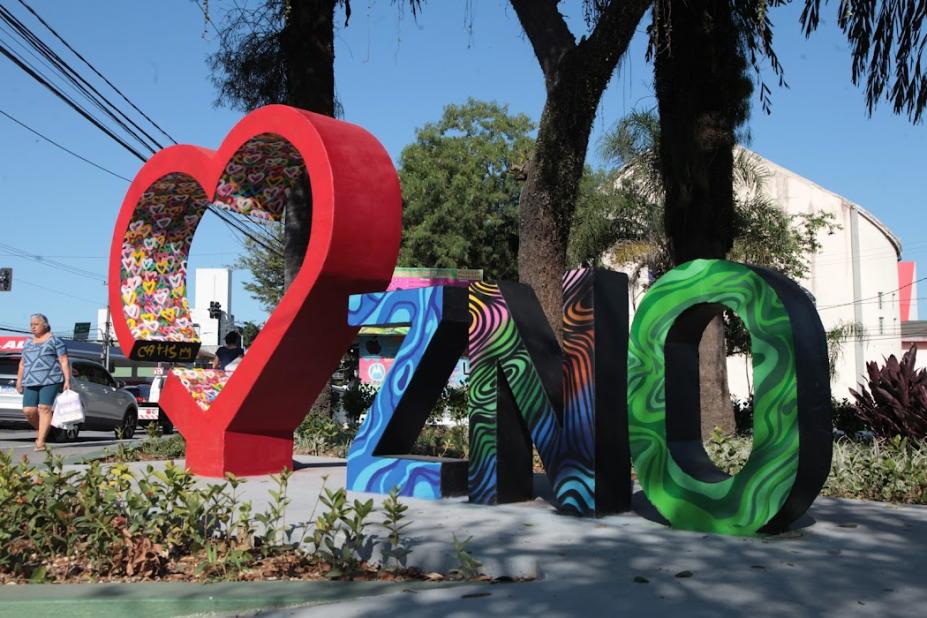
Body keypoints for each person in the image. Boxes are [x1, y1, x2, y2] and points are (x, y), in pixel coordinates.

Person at [15, 313, 70, 451]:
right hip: (30, 380)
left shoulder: (55, 341)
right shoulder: (28, 342)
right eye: (31, 325)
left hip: (51, 379)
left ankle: (40, 441)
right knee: (29, 411)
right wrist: (19, 380)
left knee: (44, 409)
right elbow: (22, 363)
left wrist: (67, 380)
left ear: (45, 325)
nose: (33, 327)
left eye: (36, 324)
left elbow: (63, 360)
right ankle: (45, 430)